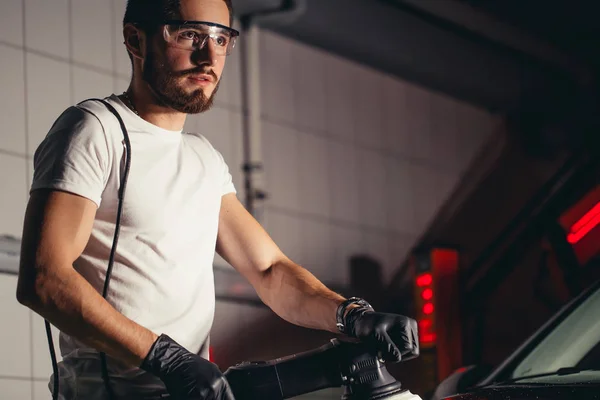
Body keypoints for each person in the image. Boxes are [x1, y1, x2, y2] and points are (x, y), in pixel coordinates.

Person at [15, 0, 418, 399]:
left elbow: (270, 270)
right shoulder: (95, 129)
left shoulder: (202, 157)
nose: (208, 56)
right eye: (190, 34)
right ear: (135, 39)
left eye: (221, 38)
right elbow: (45, 278)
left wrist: (351, 317)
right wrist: (165, 358)